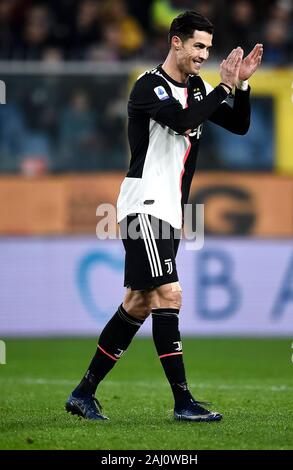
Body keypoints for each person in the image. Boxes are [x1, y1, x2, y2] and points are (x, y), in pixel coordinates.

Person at [66, 10, 263, 422]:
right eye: (197, 46)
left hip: (170, 210)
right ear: (176, 42)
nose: (203, 55)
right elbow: (183, 122)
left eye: (208, 48)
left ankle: (84, 393)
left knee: (138, 303)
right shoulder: (149, 87)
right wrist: (222, 86)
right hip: (144, 206)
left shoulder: (198, 87)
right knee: (169, 294)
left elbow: (240, 125)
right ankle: (183, 401)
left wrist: (240, 86)